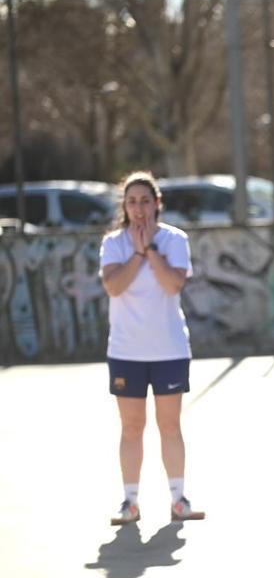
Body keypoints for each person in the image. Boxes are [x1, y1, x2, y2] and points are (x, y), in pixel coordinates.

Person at [99, 171, 204, 526]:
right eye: (132, 202)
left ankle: (179, 499)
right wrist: (137, 255)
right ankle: (130, 501)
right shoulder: (113, 244)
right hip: (126, 351)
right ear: (124, 207)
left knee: (170, 426)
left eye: (145, 201)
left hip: (169, 351)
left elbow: (173, 284)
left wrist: (151, 251)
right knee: (131, 427)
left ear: (157, 204)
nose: (139, 209)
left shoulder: (175, 240)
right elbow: (114, 287)